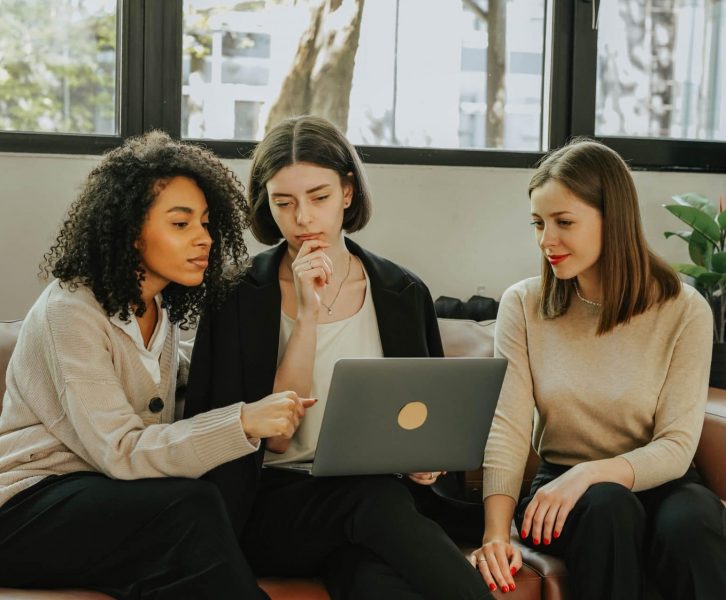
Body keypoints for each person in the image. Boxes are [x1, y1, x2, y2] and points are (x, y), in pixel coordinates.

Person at [185, 115, 490, 600]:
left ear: (347, 193)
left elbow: (426, 418)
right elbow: (274, 441)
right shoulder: (237, 296)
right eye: (284, 203)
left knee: (372, 579)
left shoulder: (401, 292)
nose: (303, 218)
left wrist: (424, 461)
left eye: (319, 198)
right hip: (269, 505)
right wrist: (306, 315)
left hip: (373, 509)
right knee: (374, 502)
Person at [0, 131, 310, 599]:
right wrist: (243, 420)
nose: (204, 239)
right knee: (191, 507)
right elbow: (122, 452)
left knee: (180, 561)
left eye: (206, 223)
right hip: (26, 508)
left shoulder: (155, 307)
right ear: (129, 231)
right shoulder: (69, 311)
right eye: (181, 224)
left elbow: (181, 375)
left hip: (104, 499)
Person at [471, 138, 726, 599]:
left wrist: (592, 472)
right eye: (538, 223)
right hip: (565, 491)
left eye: (563, 222)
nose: (546, 240)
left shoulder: (684, 308)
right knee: (609, 508)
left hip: (658, 480)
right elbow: (507, 428)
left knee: (695, 521)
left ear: (615, 219)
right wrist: (495, 532)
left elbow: (677, 444)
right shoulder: (524, 305)